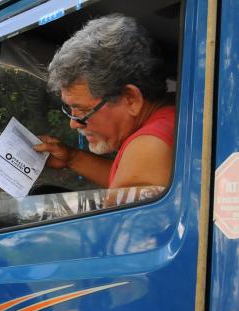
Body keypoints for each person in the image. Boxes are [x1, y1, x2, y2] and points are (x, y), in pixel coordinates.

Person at [33, 14, 175, 189]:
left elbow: (124, 213)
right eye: (70, 109)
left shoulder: (149, 146)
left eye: (83, 110)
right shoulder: (172, 115)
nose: (74, 124)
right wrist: (72, 158)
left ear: (130, 99)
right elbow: (126, 175)